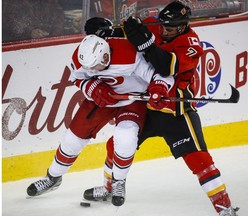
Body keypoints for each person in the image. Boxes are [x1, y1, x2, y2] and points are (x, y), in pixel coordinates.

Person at [83, 1, 239, 216]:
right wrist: (107, 30)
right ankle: (110, 188)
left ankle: (224, 207)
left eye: (170, 28)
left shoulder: (191, 44)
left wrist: (146, 45)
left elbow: (165, 67)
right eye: (163, 26)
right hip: (146, 107)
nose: (164, 31)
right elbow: (126, 33)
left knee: (199, 160)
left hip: (175, 112)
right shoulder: (156, 25)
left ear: (183, 26)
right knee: (116, 145)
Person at [26, 20, 173, 207]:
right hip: (102, 100)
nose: (92, 71)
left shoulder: (129, 53)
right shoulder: (83, 57)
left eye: (96, 67)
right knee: (72, 138)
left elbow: (160, 75)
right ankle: (53, 177)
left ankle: (119, 182)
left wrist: (158, 89)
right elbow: (77, 78)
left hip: (132, 101)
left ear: (105, 57)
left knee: (125, 138)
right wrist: (92, 86)